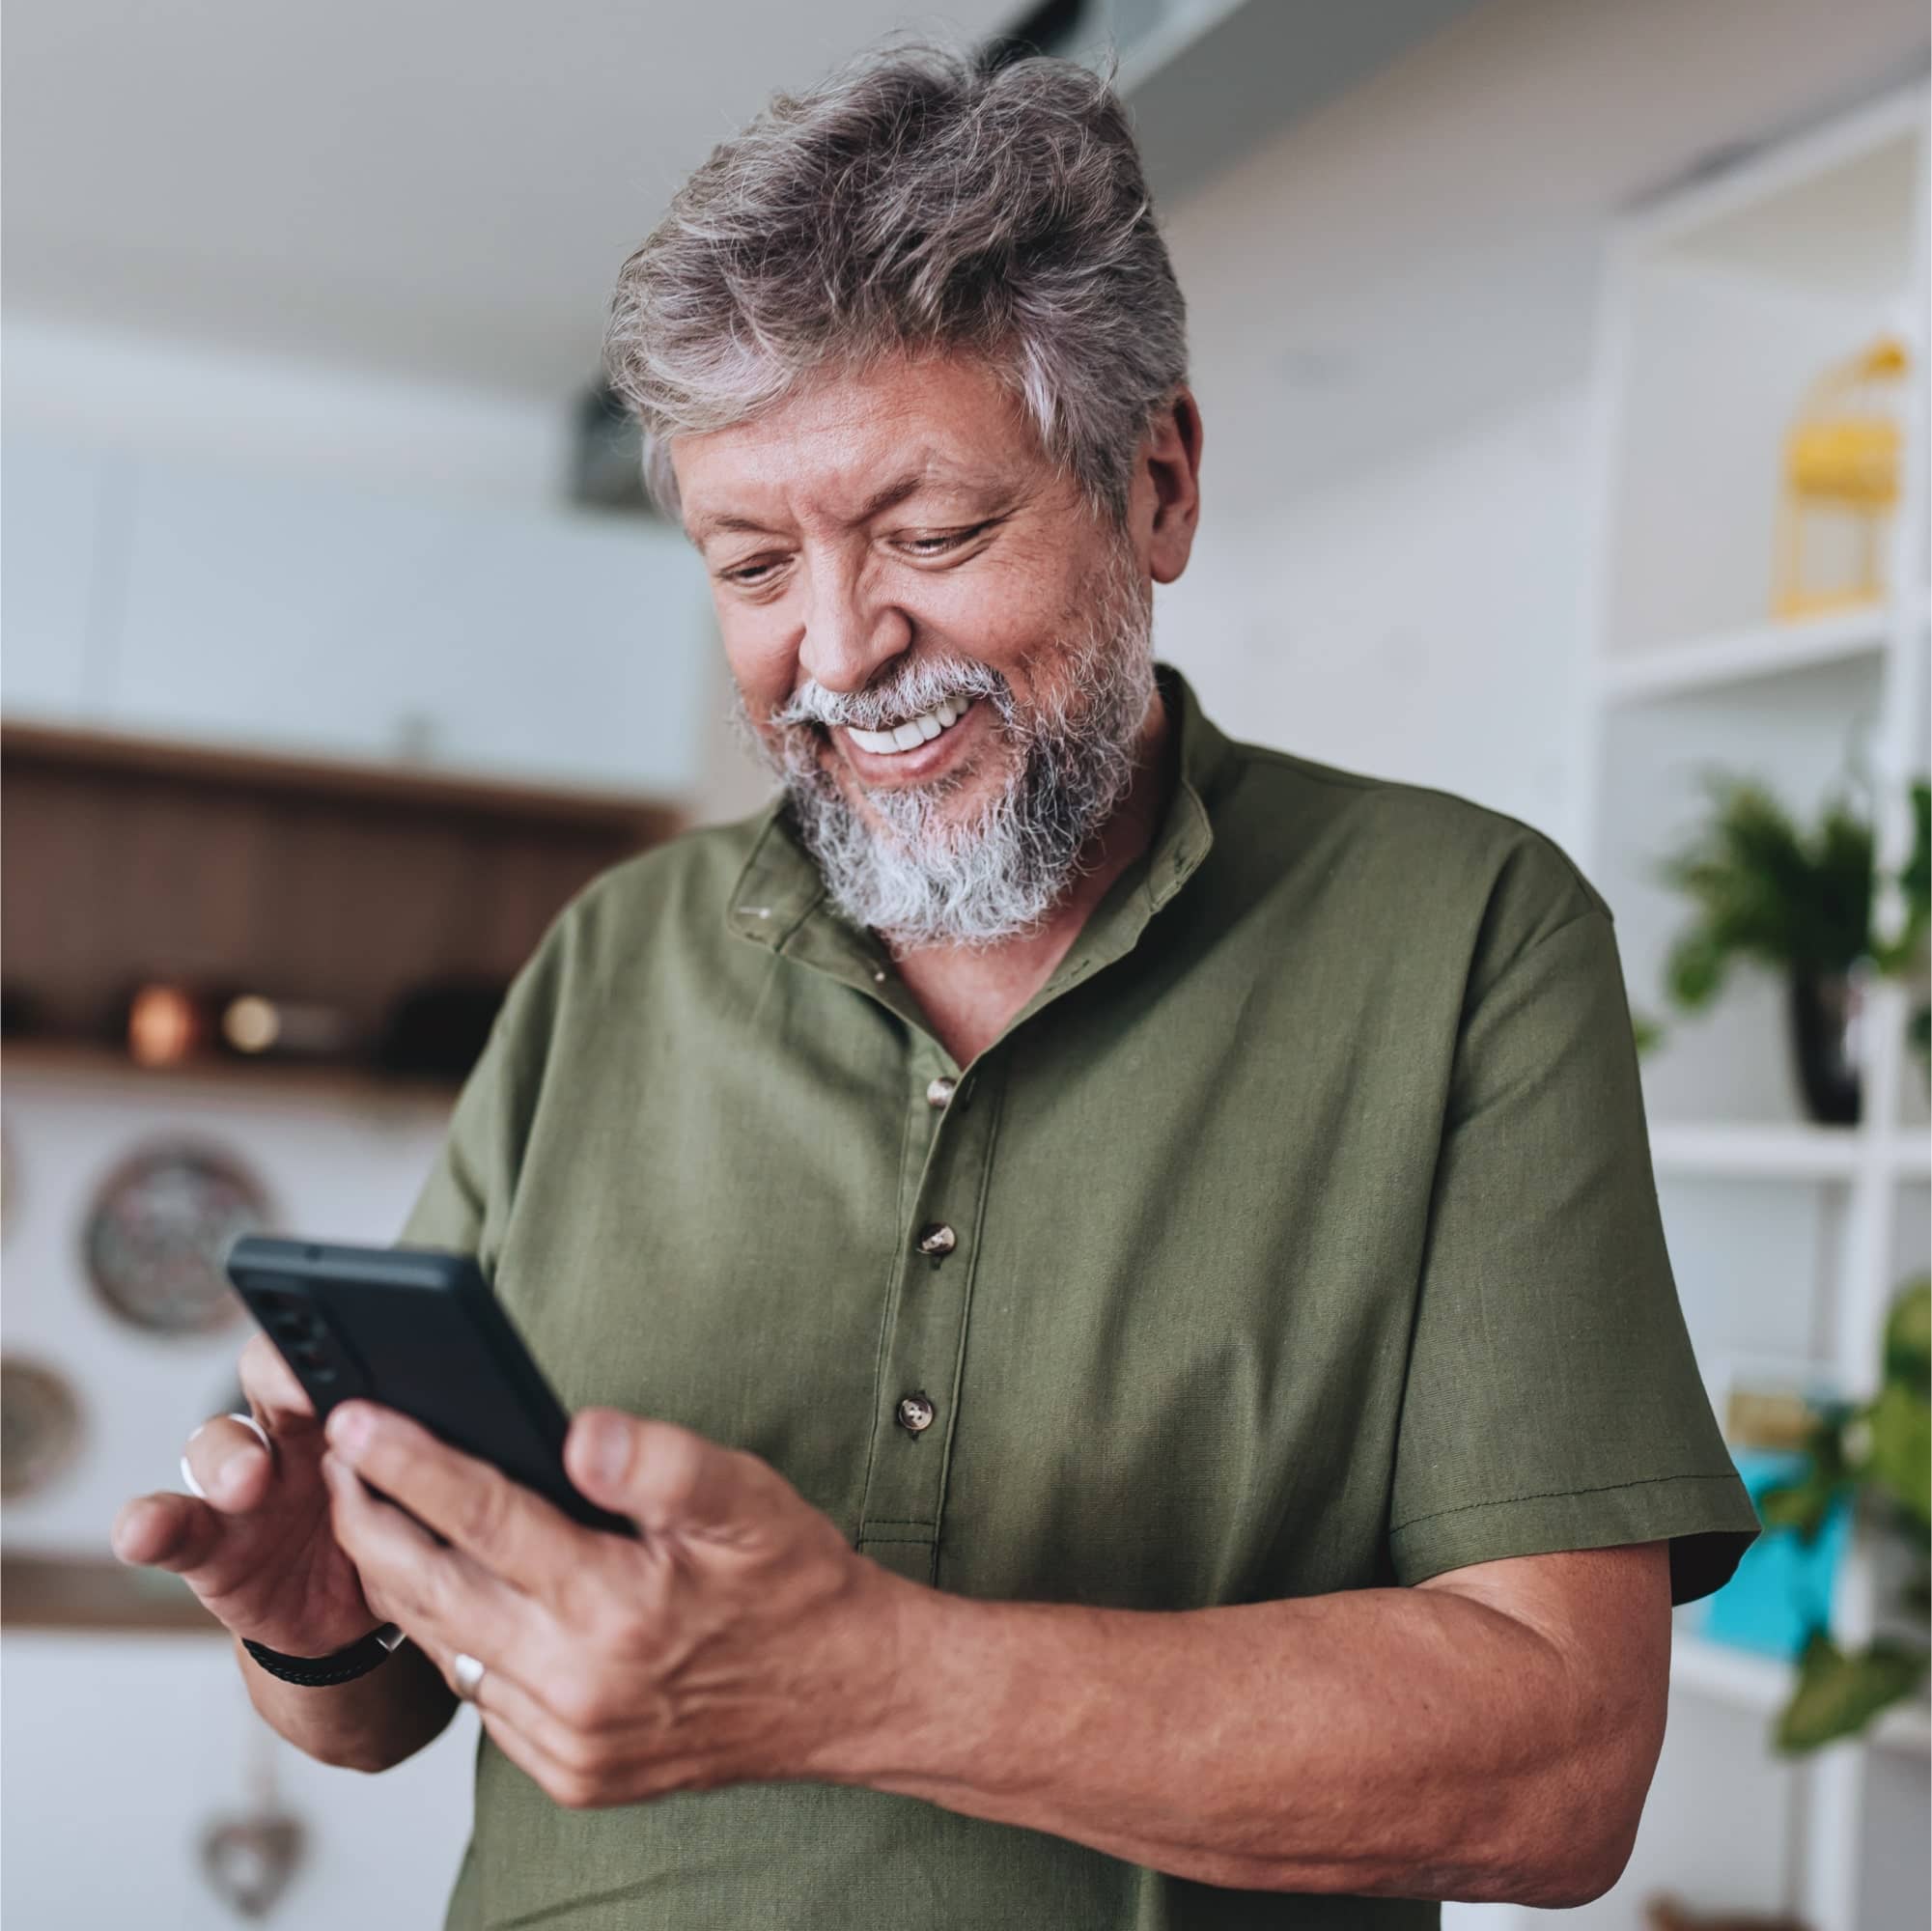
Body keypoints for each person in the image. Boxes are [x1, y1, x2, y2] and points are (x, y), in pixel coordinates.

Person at [112, 40, 1760, 1931]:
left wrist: (866, 1675)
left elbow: (1556, 1769)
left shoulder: (1464, 936)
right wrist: (324, 1634)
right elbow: (392, 1703)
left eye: (930, 532)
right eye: (749, 561)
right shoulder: (608, 959)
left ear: (1153, 483)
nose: (836, 649)